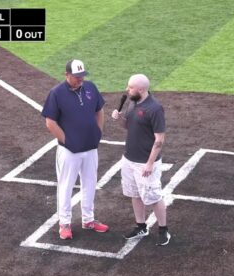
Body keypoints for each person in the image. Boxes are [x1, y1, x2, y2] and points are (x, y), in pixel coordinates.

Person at [41, 59, 109, 240]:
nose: (80, 80)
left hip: (90, 147)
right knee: (66, 186)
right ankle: (64, 223)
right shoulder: (56, 93)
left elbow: (99, 110)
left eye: (82, 76)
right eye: (76, 77)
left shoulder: (90, 88)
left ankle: (88, 219)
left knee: (90, 183)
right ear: (66, 75)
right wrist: (67, 141)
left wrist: (98, 132)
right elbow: (50, 122)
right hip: (69, 151)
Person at [111, 74, 170, 246]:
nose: (127, 90)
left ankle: (163, 230)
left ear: (141, 89)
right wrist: (119, 119)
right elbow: (129, 126)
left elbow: (159, 140)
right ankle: (141, 226)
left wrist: (150, 163)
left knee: (153, 196)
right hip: (129, 158)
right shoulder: (133, 102)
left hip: (145, 162)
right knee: (134, 194)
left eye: (130, 87)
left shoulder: (155, 108)